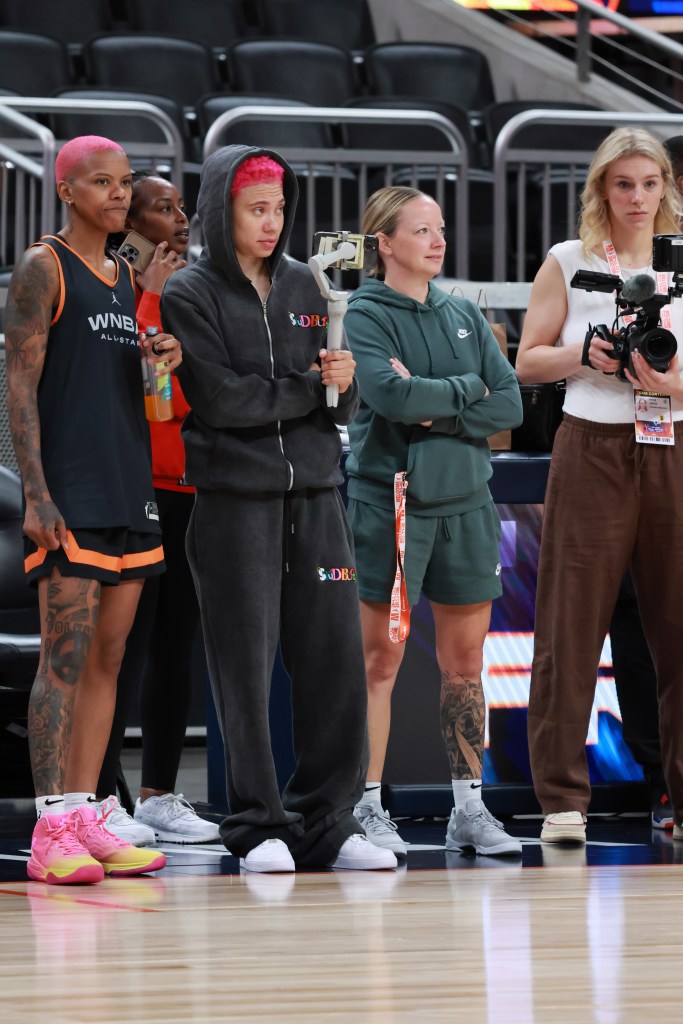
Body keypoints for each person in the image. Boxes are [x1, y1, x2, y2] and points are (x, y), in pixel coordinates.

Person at [160, 145, 397, 873]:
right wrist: (308, 389)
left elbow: (335, 405)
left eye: (278, 209)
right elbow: (222, 401)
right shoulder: (189, 291)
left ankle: (331, 821)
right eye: (255, 209)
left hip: (318, 497)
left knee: (334, 661)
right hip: (235, 504)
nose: (270, 222)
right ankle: (258, 823)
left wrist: (343, 382)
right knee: (243, 669)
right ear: (220, 211)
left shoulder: (307, 283)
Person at [4, 136, 182, 883]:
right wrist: (36, 493)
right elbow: (18, 387)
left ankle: (85, 812)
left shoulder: (125, 273)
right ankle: (50, 825)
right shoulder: (43, 266)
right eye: (102, 183)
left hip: (127, 483)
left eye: (125, 182)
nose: (119, 194)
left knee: (110, 658)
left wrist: (159, 362)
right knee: (66, 658)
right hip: (68, 491)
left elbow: (138, 393)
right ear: (67, 191)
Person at [342, 185, 524, 859]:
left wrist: (437, 405)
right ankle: (365, 806)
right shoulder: (366, 312)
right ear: (384, 243)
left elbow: (509, 404)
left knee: (465, 663)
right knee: (379, 660)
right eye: (421, 230)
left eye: (439, 228)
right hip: (391, 504)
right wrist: (466, 391)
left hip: (467, 502)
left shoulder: (463, 312)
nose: (438, 240)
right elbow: (390, 395)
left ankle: (468, 810)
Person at [516, 126, 683, 844]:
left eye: (649, 183)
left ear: (665, 187)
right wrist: (583, 355)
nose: (637, 198)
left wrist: (672, 384)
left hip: (673, 444)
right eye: (623, 184)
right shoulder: (568, 259)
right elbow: (526, 362)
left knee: (677, 629)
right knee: (569, 625)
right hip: (590, 443)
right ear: (601, 190)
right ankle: (561, 801)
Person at [95, 172, 220, 846]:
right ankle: (100, 793)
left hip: (190, 490)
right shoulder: (116, 288)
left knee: (176, 646)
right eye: (163, 208)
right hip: (131, 489)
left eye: (182, 207)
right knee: (123, 648)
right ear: (131, 223)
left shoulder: (191, 292)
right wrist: (148, 296)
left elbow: (198, 391)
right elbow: (145, 392)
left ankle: (159, 795)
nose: (180, 217)